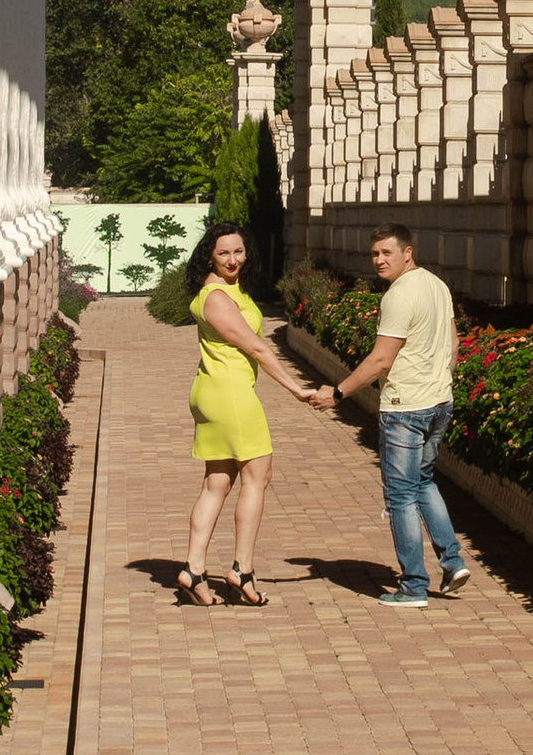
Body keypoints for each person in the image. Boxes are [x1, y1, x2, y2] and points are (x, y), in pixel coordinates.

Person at [179, 221, 329, 607]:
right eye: (224, 252)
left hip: (215, 389)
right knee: (258, 477)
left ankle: (194, 570)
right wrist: (297, 389)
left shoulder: (224, 289)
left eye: (238, 251)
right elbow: (259, 349)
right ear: (209, 254)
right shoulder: (216, 297)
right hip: (229, 393)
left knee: (218, 482)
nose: (233, 259)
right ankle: (241, 570)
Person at [322, 224, 470, 607]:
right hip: (440, 403)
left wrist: (338, 393)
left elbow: (381, 359)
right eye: (374, 254)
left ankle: (414, 587)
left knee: (401, 495)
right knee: (423, 482)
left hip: (406, 408)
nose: (379, 261)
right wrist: (439, 382)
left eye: (387, 253)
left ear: (408, 252)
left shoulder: (399, 296)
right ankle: (452, 563)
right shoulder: (437, 285)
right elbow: (454, 345)